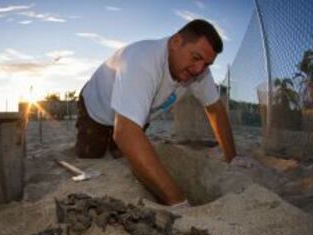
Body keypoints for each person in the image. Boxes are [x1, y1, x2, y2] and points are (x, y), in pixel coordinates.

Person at [75, 19, 237, 206]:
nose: (199, 69)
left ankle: (116, 143)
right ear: (176, 42)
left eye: (207, 64)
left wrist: (232, 158)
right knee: (91, 153)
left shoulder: (200, 73)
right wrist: (178, 202)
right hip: (97, 107)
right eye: (195, 57)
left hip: (136, 113)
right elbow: (125, 133)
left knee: (124, 154)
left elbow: (215, 109)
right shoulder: (142, 59)